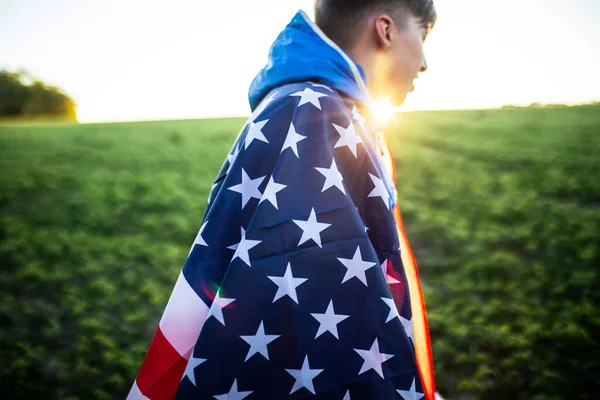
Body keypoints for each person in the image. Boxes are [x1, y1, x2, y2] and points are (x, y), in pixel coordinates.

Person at [128, 1, 437, 399]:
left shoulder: (333, 111)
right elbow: (316, 327)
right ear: (386, 30)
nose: (425, 62)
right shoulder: (314, 112)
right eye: (423, 35)